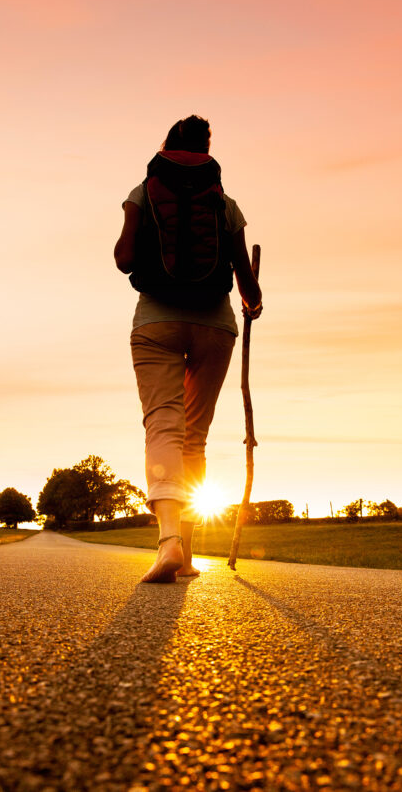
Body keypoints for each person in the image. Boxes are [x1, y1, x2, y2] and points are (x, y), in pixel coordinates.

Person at [114, 115, 262, 583]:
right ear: (207, 152)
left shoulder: (142, 193)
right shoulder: (225, 204)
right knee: (194, 435)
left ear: (166, 148)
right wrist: (253, 302)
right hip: (215, 326)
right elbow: (245, 280)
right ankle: (191, 559)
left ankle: (169, 542)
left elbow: (122, 259)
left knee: (164, 425)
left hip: (156, 321)